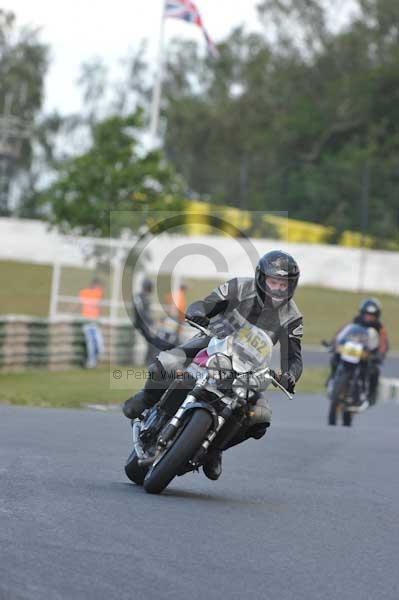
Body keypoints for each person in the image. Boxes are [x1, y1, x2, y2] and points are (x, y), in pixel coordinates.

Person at [123, 250, 303, 480]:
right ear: (261, 278)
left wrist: (290, 375)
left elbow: (294, 358)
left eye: (283, 285)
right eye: (273, 282)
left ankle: (215, 449)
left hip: (250, 367)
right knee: (168, 362)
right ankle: (147, 400)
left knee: (260, 417)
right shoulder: (239, 287)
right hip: (216, 342)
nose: (278, 289)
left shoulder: (293, 317)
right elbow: (207, 304)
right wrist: (199, 311)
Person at [329, 298, 389, 405]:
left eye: (372, 315)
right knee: (334, 359)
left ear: (377, 316)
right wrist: (334, 343)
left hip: (368, 354)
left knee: (375, 371)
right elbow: (343, 332)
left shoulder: (380, 328)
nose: (369, 317)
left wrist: (380, 354)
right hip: (351, 350)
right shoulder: (356, 321)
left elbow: (383, 342)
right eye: (367, 314)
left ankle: (371, 394)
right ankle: (333, 379)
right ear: (362, 313)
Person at [79, 278, 104, 368]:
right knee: (91, 344)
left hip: (94, 323)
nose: (100, 289)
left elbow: (99, 308)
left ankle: (94, 361)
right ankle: (91, 362)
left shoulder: (97, 294)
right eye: (99, 286)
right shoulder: (86, 293)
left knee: (99, 344)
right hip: (87, 322)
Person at [133, 278, 159, 366]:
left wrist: (152, 321)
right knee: (152, 342)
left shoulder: (146, 297)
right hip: (141, 324)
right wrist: (148, 322)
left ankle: (149, 361)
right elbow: (140, 312)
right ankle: (149, 361)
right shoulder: (139, 297)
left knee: (152, 342)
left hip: (147, 324)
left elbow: (147, 312)